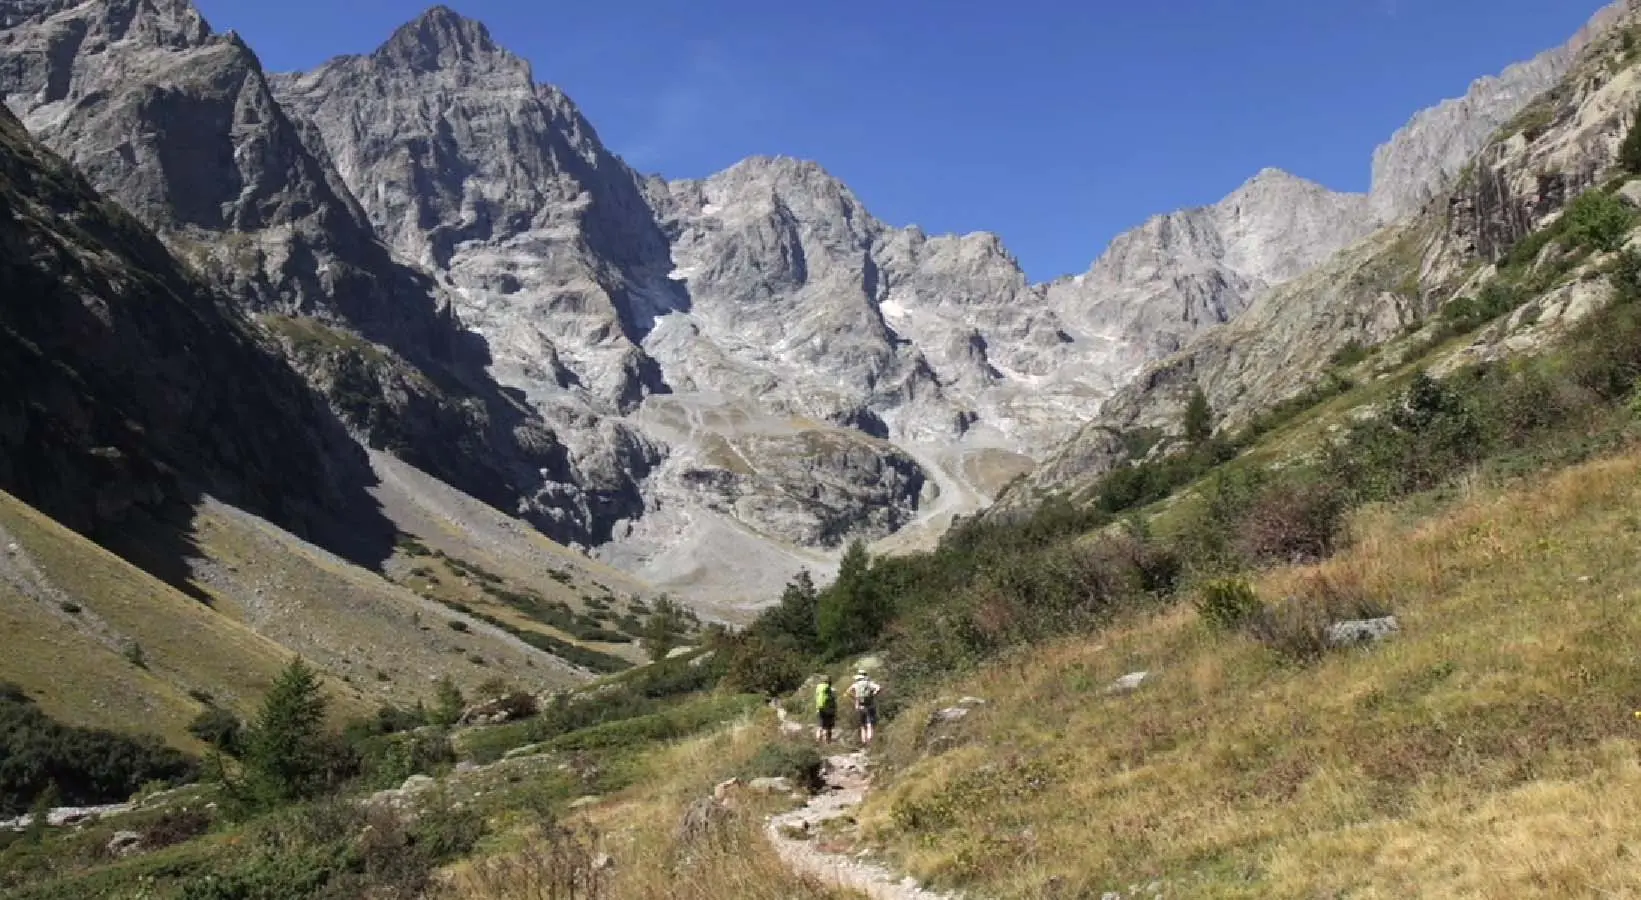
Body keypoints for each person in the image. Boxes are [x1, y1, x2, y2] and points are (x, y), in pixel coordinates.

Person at [845, 670, 881, 745]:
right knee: (870, 723)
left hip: (860, 706)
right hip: (870, 705)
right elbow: (878, 688)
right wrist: (873, 695)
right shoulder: (869, 683)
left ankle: (864, 741)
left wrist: (855, 698)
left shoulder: (855, 684)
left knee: (862, 724)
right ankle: (870, 740)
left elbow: (847, 692)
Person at [814, 675, 837, 743]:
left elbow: (816, 698)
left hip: (820, 709)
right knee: (828, 726)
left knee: (820, 725)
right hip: (830, 710)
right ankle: (827, 741)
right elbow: (834, 700)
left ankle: (818, 740)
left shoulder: (818, 688)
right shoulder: (833, 690)